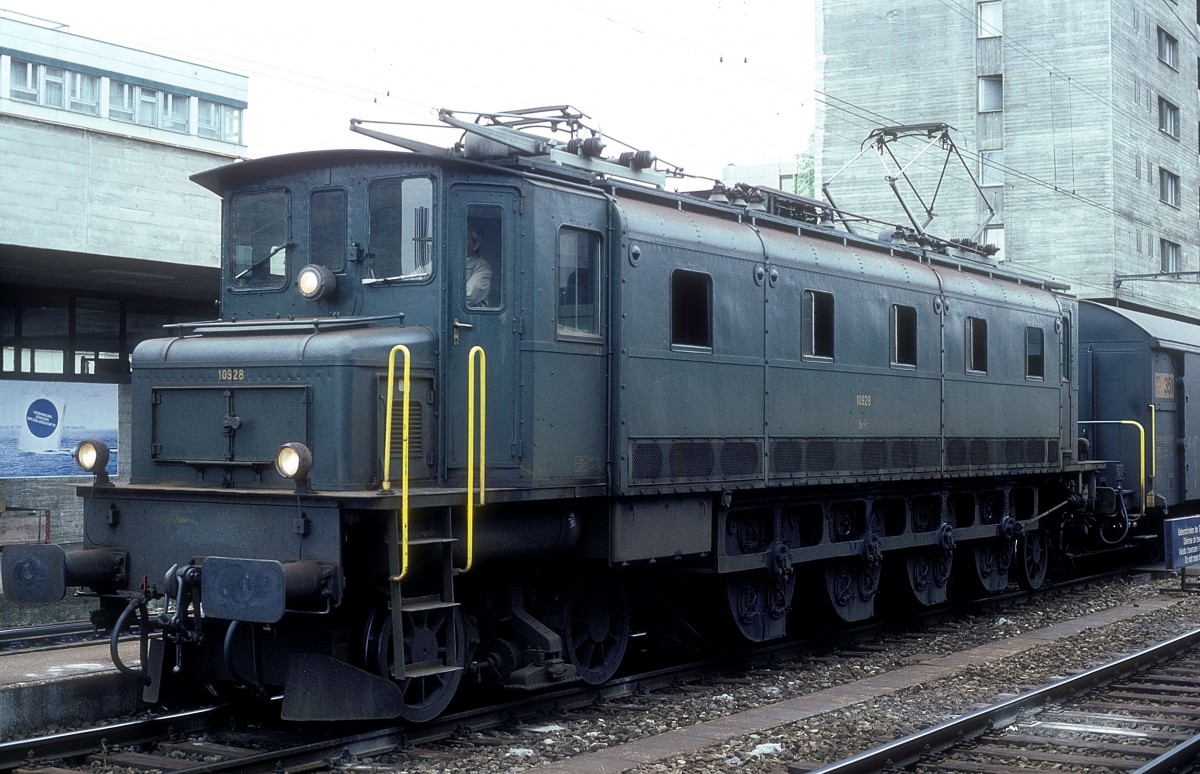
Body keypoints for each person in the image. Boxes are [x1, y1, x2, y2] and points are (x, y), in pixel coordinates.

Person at [465, 229, 493, 307]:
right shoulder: (443, 262)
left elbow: (468, 298)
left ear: (475, 245)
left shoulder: (483, 268)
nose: (458, 243)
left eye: (465, 239)